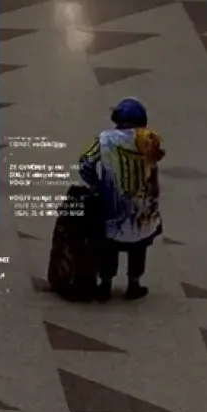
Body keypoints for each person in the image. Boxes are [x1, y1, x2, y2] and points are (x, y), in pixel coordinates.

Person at [77, 97, 164, 301]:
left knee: (108, 246)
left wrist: (97, 184)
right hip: (143, 212)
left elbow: (85, 163)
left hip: (112, 208)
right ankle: (133, 284)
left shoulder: (104, 139)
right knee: (139, 247)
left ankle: (105, 284)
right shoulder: (151, 139)